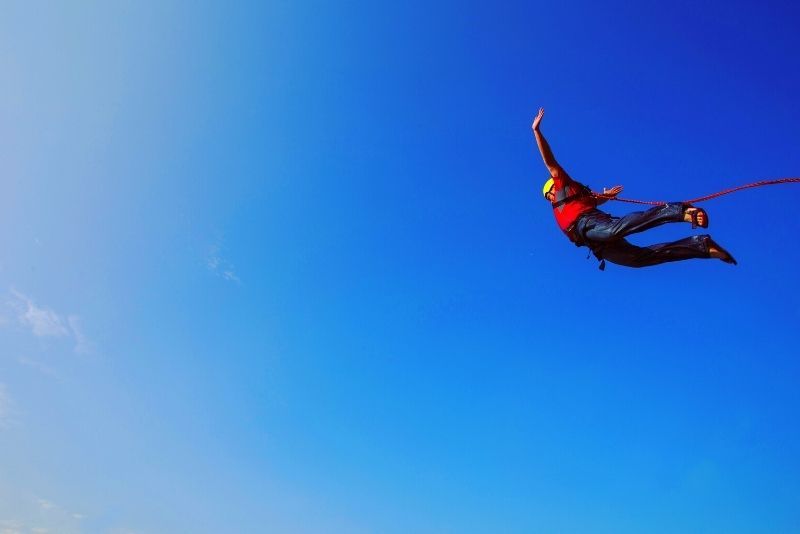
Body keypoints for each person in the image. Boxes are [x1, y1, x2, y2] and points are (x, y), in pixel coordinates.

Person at [531, 107, 737, 269]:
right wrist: (607, 196)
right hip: (596, 244)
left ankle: (681, 212)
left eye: (548, 191)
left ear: (553, 187)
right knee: (638, 260)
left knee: (615, 228)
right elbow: (594, 201)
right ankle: (702, 247)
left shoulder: (562, 186)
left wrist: (536, 131)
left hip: (589, 224)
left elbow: (550, 162)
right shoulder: (567, 203)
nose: (549, 196)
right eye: (546, 195)